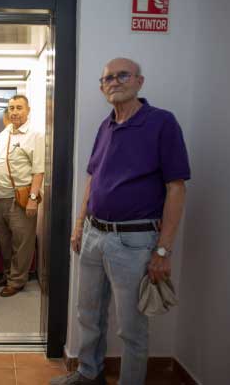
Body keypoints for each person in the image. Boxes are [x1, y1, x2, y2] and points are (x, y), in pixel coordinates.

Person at [50, 58, 190, 385]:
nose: (113, 82)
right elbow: (92, 179)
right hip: (94, 235)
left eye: (121, 75)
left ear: (139, 81)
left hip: (135, 241)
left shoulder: (161, 123)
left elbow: (176, 187)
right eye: (107, 78)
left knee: (132, 328)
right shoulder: (106, 125)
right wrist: (79, 226)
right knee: (88, 315)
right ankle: (88, 374)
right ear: (102, 88)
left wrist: (163, 251)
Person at [0, 95, 45, 297]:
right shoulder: (5, 133)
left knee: (22, 242)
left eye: (19, 107)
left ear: (28, 110)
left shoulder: (35, 135)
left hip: (19, 198)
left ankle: (17, 280)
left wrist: (32, 198)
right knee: (4, 241)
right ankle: (7, 274)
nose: (14, 112)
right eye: (11, 108)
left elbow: (39, 170)